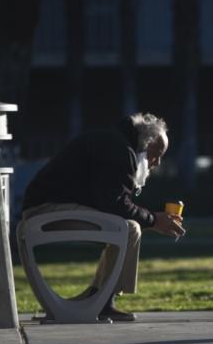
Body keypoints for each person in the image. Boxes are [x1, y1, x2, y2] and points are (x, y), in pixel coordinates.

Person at [18, 112, 186, 321]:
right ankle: (104, 301)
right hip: (46, 212)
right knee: (128, 228)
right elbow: (114, 204)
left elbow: (110, 202)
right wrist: (154, 220)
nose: (157, 162)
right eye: (156, 154)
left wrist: (150, 220)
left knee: (127, 227)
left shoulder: (114, 142)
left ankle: (99, 297)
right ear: (146, 143)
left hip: (44, 210)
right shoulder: (120, 151)